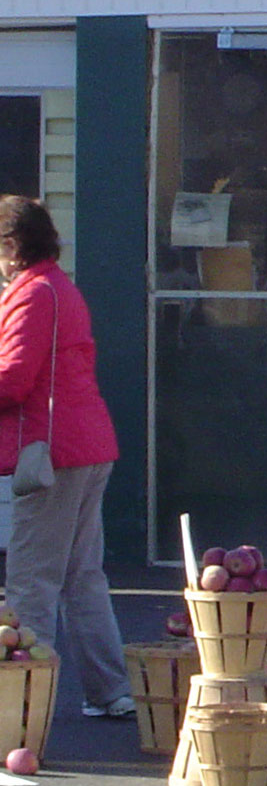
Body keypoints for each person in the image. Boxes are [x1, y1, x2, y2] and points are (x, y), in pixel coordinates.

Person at [0, 195, 132, 718]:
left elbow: (12, 380)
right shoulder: (60, 287)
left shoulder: (32, 294)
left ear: (13, 245)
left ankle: (23, 706)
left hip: (50, 453)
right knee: (83, 578)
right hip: (86, 445)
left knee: (31, 579)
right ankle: (110, 690)